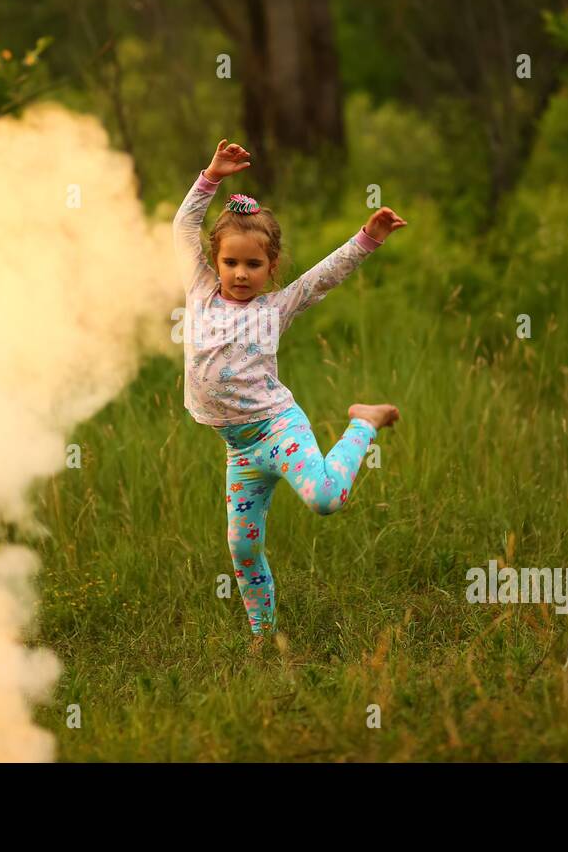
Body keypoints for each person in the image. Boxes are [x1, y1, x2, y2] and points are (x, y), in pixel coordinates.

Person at [171, 139, 406, 650]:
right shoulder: (199, 289)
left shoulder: (275, 307)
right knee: (242, 547)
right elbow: (183, 227)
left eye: (253, 265)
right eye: (231, 262)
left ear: (270, 266)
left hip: (278, 430)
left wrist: (367, 239)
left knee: (325, 498)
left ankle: (363, 422)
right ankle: (264, 637)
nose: (239, 273)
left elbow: (324, 277)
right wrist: (210, 176)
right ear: (215, 259)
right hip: (239, 450)